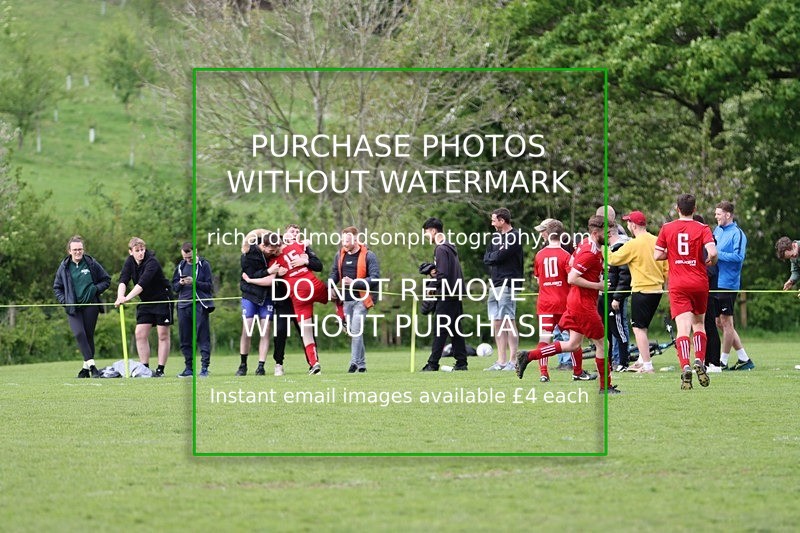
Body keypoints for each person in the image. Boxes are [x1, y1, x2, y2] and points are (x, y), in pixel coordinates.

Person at [517, 215, 615, 394]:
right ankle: (605, 387)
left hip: (569, 302)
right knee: (604, 344)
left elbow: (572, 265)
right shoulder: (588, 252)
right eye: (607, 234)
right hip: (582, 304)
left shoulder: (586, 244)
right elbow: (572, 277)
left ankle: (529, 356)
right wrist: (598, 285)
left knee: (572, 344)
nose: (609, 237)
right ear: (595, 233)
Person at [654, 193, 717, 390]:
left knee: (683, 328)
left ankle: (685, 365)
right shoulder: (702, 228)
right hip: (699, 281)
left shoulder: (667, 228)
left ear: (677, 208)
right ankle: (699, 360)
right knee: (699, 324)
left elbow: (657, 255)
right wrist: (711, 261)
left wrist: (673, 254)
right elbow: (713, 252)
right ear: (695, 209)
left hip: (678, 283)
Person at [607, 210, 668, 374]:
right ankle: (642, 361)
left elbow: (613, 259)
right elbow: (666, 268)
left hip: (642, 290)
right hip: (657, 290)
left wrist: (601, 248)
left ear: (633, 225)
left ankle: (647, 366)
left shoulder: (633, 244)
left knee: (638, 329)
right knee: (644, 327)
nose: (627, 225)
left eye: (628, 223)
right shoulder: (656, 241)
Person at [53, 236, 112, 378]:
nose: (78, 252)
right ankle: (92, 366)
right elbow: (57, 287)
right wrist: (65, 301)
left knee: (88, 336)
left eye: (80, 249)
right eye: (75, 250)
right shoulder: (64, 267)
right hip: (73, 309)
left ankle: (85, 369)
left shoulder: (91, 263)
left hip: (91, 306)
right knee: (79, 334)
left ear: (83, 250)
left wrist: (95, 289)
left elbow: (106, 280)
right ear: (69, 251)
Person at [114, 237, 173, 377]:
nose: (141, 253)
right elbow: (123, 280)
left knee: (162, 335)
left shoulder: (152, 262)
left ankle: (160, 370)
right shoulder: (129, 262)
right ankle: (144, 368)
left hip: (162, 299)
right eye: (137, 250)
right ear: (131, 252)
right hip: (146, 301)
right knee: (140, 333)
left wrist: (126, 299)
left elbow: (142, 283)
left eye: (142, 250)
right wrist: (119, 297)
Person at [530, 218, 579, 382]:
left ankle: (544, 373)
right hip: (564, 303)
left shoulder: (539, 255)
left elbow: (538, 279)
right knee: (573, 338)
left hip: (545, 304)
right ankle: (577, 372)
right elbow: (572, 278)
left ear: (548, 234)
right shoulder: (566, 255)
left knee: (544, 338)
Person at [329, 226, 381, 373]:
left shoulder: (369, 255)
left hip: (363, 299)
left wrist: (354, 283)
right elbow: (334, 273)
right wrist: (331, 286)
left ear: (356, 239)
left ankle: (353, 363)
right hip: (346, 299)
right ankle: (362, 364)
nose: (344, 243)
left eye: (347, 240)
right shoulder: (339, 255)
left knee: (356, 331)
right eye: (343, 240)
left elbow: (375, 278)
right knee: (353, 331)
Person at [420, 217, 468, 372]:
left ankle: (432, 364)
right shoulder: (450, 246)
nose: (426, 236)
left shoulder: (440, 248)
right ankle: (461, 362)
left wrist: (430, 288)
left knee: (440, 330)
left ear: (433, 231)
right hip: (455, 294)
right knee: (455, 329)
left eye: (426, 233)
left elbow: (443, 275)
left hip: (446, 295)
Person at [713, 201, 754, 371]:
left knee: (726, 322)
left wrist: (717, 254)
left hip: (728, 283)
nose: (716, 217)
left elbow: (738, 257)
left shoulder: (738, 234)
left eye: (718, 214)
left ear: (728, 215)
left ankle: (723, 361)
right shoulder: (717, 230)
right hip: (715, 282)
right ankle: (744, 358)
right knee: (718, 322)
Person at [482, 208, 524, 372]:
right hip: (495, 283)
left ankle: (514, 361)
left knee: (508, 320)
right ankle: (501, 361)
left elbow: (499, 256)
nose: (492, 224)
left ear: (502, 220)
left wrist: (495, 256)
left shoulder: (515, 236)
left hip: (509, 283)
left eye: (494, 220)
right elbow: (487, 258)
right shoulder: (495, 238)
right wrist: (495, 256)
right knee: (497, 321)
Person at [236, 230, 282, 376]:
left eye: (275, 250)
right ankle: (243, 365)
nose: (273, 252)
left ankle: (261, 366)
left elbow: (270, 281)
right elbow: (250, 275)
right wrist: (267, 271)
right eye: (271, 250)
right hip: (250, 295)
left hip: (267, 296)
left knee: (265, 330)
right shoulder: (250, 252)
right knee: (247, 330)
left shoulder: (275, 255)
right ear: (263, 245)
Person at [171, 242, 215, 378]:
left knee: (203, 336)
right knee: (185, 338)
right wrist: (180, 283)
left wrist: (193, 282)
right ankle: (188, 368)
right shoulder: (180, 266)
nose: (187, 260)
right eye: (185, 257)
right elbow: (174, 286)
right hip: (183, 306)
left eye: (189, 257)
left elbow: (209, 286)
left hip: (199, 305)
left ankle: (204, 368)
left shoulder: (204, 265)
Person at [694, 214, 722, 371]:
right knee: (703, 326)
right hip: (703, 289)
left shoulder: (707, 244)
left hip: (709, 290)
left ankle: (715, 363)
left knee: (709, 325)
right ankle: (704, 361)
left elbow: (710, 269)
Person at [605, 229, 632, 371]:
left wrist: (617, 297)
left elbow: (625, 276)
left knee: (619, 330)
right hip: (605, 295)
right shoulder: (608, 250)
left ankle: (622, 362)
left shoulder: (621, 249)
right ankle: (608, 362)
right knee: (607, 331)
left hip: (614, 297)